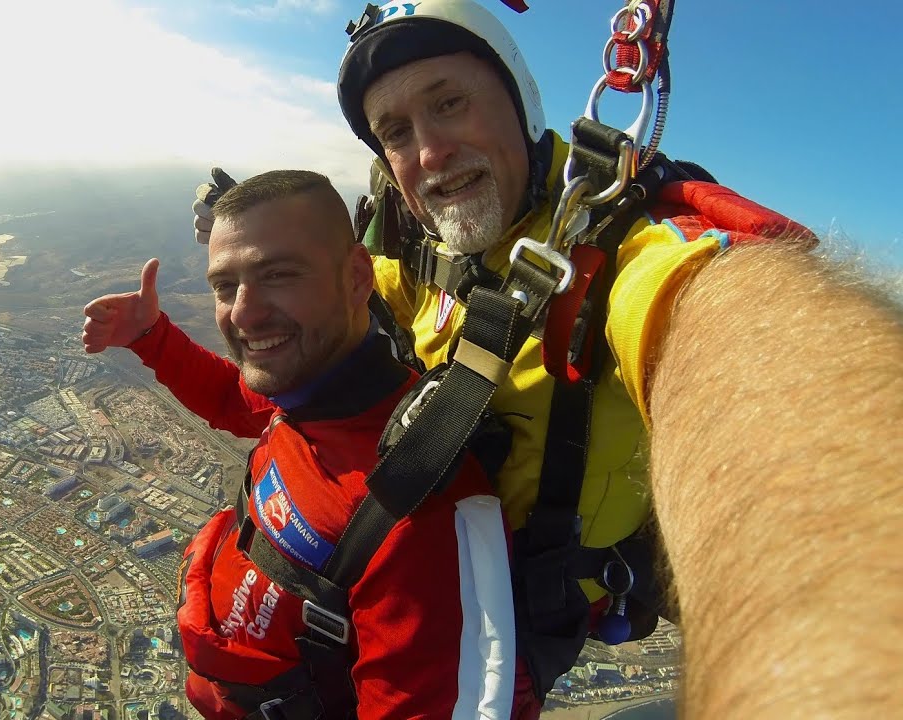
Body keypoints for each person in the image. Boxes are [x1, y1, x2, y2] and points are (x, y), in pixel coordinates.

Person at [191, 2, 903, 716]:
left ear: (519, 103)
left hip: (500, 634)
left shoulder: (623, 261)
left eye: (450, 103)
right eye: (397, 133)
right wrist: (265, 249)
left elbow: (767, 369)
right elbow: (355, 286)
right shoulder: (423, 249)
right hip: (399, 593)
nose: (430, 154)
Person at [84, 170, 541, 719]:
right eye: (225, 286)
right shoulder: (309, 399)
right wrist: (150, 336)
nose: (244, 314)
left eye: (278, 275)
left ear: (355, 278)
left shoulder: (416, 507)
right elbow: (235, 401)